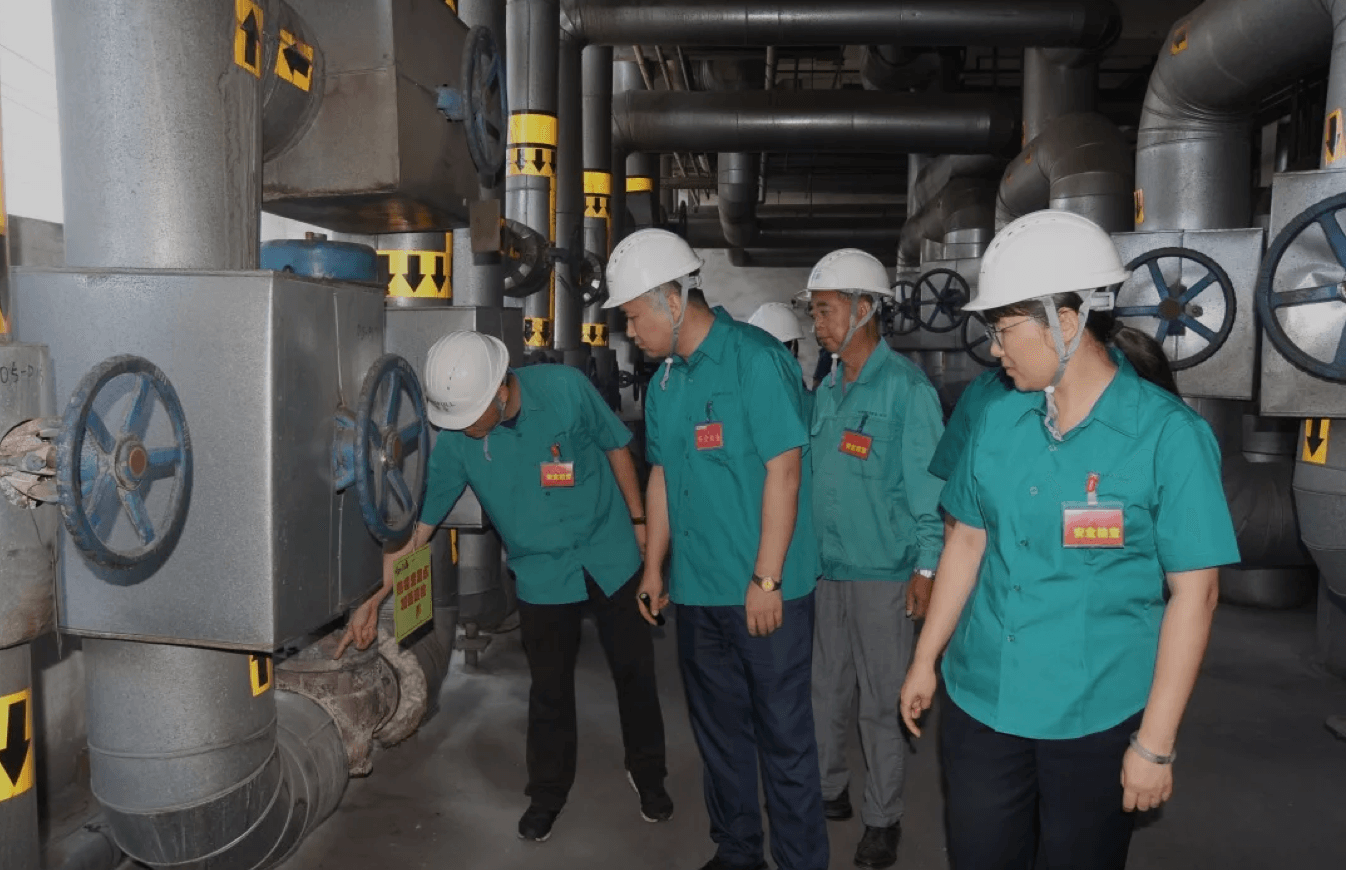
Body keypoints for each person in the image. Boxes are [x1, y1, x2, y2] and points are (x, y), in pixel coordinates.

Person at [898, 211, 1240, 870]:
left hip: (1094, 713)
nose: (995, 349)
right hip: (983, 699)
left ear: (1064, 320)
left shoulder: (1168, 437)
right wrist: (925, 658)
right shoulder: (998, 419)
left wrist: (1155, 742)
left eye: (1003, 330)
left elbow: (1195, 596)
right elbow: (965, 541)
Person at [337, 331, 671, 843]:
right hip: (541, 572)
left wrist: (640, 522)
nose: (463, 428)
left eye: (471, 416)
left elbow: (616, 447)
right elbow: (419, 531)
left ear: (499, 390)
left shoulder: (565, 388)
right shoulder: (458, 440)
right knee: (550, 690)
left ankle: (648, 774)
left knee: (635, 672)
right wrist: (374, 598)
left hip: (609, 549)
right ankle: (547, 792)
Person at [605, 228, 828, 870]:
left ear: (673, 301)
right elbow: (662, 474)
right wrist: (654, 568)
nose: (631, 333)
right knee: (721, 738)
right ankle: (737, 853)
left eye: (635, 317)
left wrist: (766, 578)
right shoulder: (665, 384)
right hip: (699, 592)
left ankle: (801, 861)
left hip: (764, 592)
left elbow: (785, 470)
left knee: (784, 740)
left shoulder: (756, 361)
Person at [804, 249, 945, 870]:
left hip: (884, 574)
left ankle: (883, 819)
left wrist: (926, 568)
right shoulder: (828, 388)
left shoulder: (907, 391)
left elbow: (930, 493)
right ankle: (828, 788)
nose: (817, 324)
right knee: (825, 690)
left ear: (864, 308)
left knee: (882, 702)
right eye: (813, 313)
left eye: (826, 311)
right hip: (828, 570)